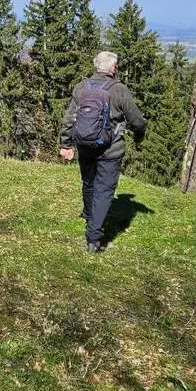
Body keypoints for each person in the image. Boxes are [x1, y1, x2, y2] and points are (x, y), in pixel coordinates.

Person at [59, 51, 146, 253]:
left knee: (89, 182)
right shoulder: (119, 89)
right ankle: (94, 238)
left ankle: (89, 214)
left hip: (85, 145)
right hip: (111, 149)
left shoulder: (81, 87)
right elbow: (137, 121)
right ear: (113, 69)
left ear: (96, 66)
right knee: (104, 191)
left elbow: (70, 118)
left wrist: (66, 144)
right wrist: (139, 136)